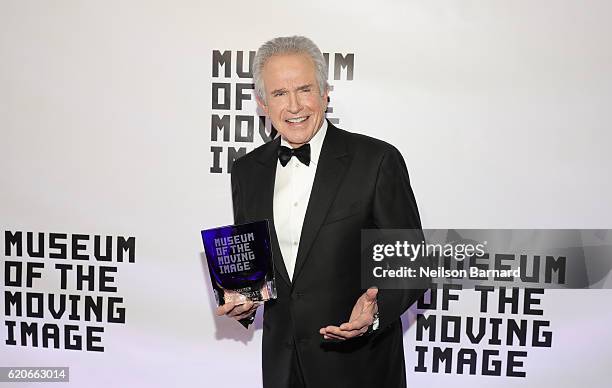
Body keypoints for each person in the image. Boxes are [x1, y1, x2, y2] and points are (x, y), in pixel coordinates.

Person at [216, 36, 425, 388]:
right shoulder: (247, 171)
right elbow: (254, 272)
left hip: (359, 368)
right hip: (282, 369)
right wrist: (244, 301)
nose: (295, 106)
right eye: (280, 94)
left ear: (326, 92)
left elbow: (412, 265)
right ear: (262, 103)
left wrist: (375, 312)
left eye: (305, 89)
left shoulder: (376, 161)